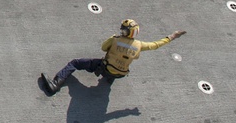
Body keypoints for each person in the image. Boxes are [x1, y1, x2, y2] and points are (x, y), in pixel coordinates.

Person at [41, 19, 186, 96]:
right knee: (115, 70)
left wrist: (113, 38)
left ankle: (55, 85)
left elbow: (103, 48)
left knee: (75, 63)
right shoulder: (140, 45)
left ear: (126, 31)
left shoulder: (116, 39)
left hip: (105, 67)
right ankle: (108, 78)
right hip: (120, 74)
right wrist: (172, 36)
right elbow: (156, 45)